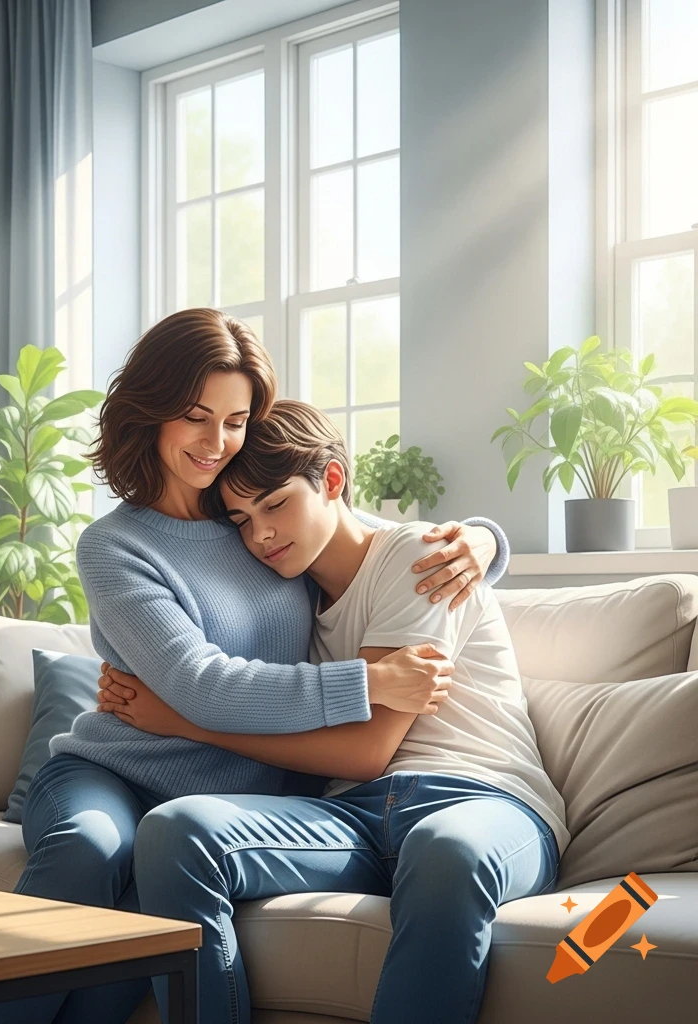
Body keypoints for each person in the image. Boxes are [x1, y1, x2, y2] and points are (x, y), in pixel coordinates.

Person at [0, 309, 510, 1024]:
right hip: (117, 771)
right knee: (91, 846)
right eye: (196, 416)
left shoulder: (261, 525)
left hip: (237, 796)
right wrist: (371, 681)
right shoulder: (116, 546)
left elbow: (374, 543)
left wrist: (484, 539)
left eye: (235, 419)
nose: (217, 442)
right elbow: (201, 682)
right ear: (151, 412)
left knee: (135, 937)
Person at [98, 399, 568, 1024]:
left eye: (275, 504)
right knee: (174, 831)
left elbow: (365, 751)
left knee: (442, 849)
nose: (260, 534)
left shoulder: (416, 558)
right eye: (240, 518)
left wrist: (184, 721)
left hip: (482, 803)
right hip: (351, 817)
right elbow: (220, 677)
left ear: (334, 481)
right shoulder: (285, 596)